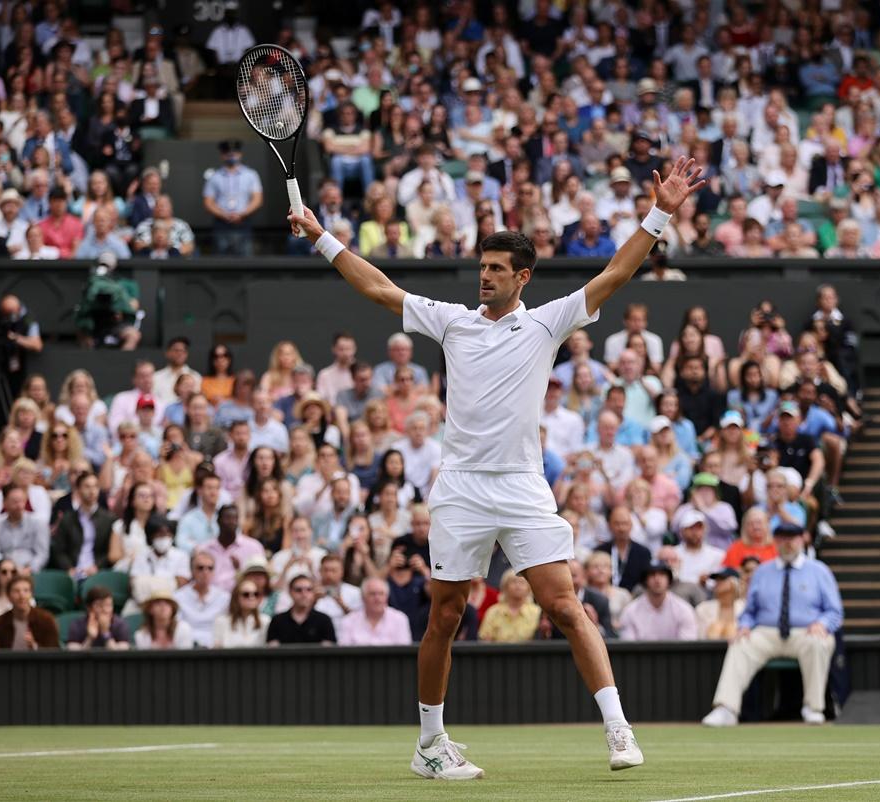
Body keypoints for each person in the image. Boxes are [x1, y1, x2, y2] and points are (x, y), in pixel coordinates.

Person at [291, 158, 706, 777]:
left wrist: (661, 212)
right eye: (480, 267)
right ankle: (430, 746)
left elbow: (618, 271)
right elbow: (378, 287)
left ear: (522, 277)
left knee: (565, 606)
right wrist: (322, 235)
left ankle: (619, 730)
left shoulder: (548, 321)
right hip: (459, 488)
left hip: (521, 486)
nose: (482, 277)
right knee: (446, 615)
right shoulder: (453, 322)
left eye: (494, 269)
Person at [702, 522, 843, 727]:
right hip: (767, 633)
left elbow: (834, 611)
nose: (787, 543)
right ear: (775, 541)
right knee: (740, 644)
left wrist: (822, 623)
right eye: (782, 538)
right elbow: (750, 611)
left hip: (806, 632)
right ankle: (726, 709)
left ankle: (813, 708)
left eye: (792, 538)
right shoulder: (762, 572)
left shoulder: (819, 571)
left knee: (818, 642)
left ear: (802, 539)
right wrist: (744, 626)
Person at [49, 471, 119, 579]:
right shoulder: (68, 518)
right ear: (77, 490)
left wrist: (97, 567)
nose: (92, 491)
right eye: (87, 487)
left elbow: (109, 551)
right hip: (72, 572)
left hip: (98, 572)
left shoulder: (109, 519)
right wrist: (68, 568)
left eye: (95, 487)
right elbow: (59, 549)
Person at [203, 139, 262, 256]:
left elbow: (257, 199)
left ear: (240, 154)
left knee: (245, 259)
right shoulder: (214, 176)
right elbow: (208, 202)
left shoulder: (251, 175)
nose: (231, 155)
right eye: (227, 153)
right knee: (220, 260)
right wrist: (224, 215)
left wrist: (242, 214)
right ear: (222, 155)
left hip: (243, 222)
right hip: (221, 223)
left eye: (234, 152)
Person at [617, 562, 700, 641]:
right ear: (645, 580)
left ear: (669, 580)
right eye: (652, 575)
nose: (657, 579)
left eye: (662, 575)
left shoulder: (684, 610)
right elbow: (629, 647)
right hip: (640, 655)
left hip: (677, 656)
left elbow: (687, 647)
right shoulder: (630, 611)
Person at [173, 549, 230, 647]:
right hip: (186, 648)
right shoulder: (178, 597)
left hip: (216, 649)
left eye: (210, 568)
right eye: (200, 568)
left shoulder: (225, 597)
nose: (205, 572)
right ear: (192, 571)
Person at [0, 485, 49, 576]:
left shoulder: (38, 524)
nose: (19, 505)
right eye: (15, 502)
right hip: (4, 573)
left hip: (30, 574)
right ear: (4, 503)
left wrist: (30, 569)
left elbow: (42, 554)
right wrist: (6, 570)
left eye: (22, 501)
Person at [337, 576, 413, 646]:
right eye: (372, 594)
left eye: (381, 594)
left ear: (387, 597)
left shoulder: (400, 619)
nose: (377, 598)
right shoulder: (348, 621)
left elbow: (404, 653)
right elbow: (344, 655)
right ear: (363, 598)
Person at [0, 575, 60, 650]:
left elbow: (54, 653)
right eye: (16, 591)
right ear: (9, 596)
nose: (22, 595)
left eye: (26, 590)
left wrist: (35, 647)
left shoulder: (46, 620)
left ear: (31, 594)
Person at [266, 573, 337, 645]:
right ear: (290, 592)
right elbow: (273, 651)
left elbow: (328, 651)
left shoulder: (324, 620)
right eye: (298, 590)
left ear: (313, 592)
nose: (304, 594)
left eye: (309, 589)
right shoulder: (277, 621)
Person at [477, 570, 542, 642]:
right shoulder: (493, 612)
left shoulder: (537, 612)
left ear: (529, 588)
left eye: (522, 582)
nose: (518, 586)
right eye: (513, 581)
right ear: (505, 586)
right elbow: (485, 641)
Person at [212, 575, 271, 648]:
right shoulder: (221, 621)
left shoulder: (265, 621)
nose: (251, 597)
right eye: (246, 594)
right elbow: (216, 649)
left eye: (255, 594)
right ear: (236, 597)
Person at [66, 585, 130, 649]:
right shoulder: (77, 625)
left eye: (108, 605)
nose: (105, 610)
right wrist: (90, 638)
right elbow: (74, 655)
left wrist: (106, 633)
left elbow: (121, 654)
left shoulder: (120, 624)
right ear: (89, 608)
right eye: (99, 606)